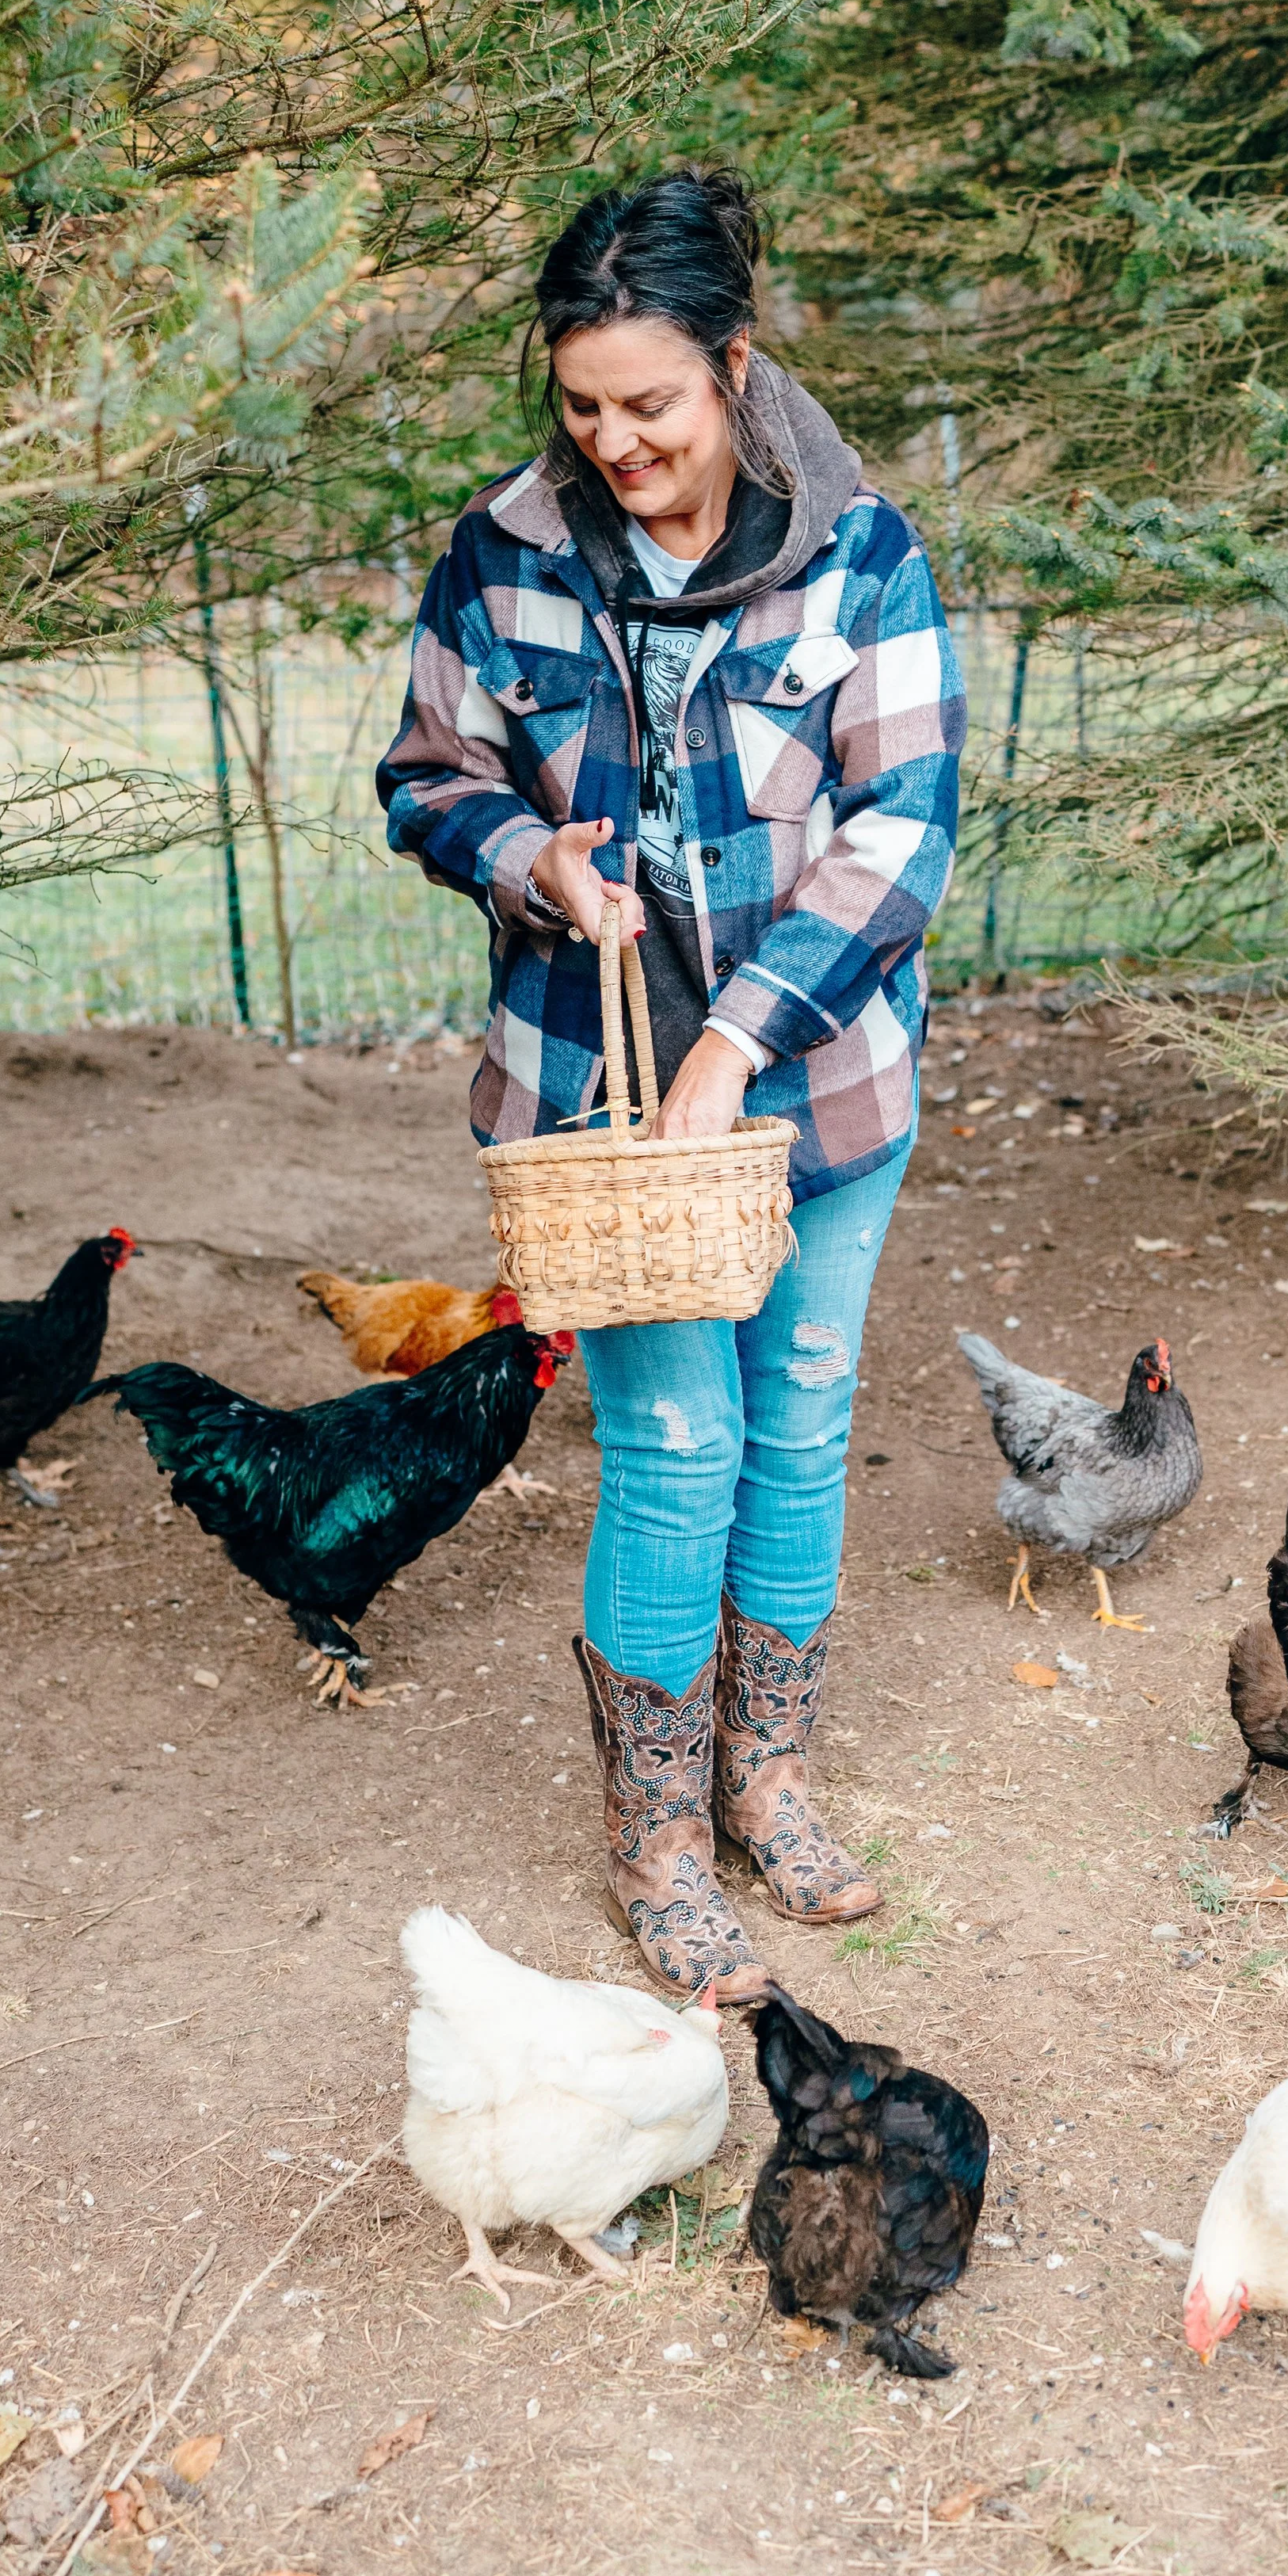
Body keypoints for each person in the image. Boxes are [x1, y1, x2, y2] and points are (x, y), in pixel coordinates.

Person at [379, 168, 964, 2001]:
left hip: (817, 1089)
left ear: (731, 367)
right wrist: (528, 860)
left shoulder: (860, 551)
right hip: (592, 1105)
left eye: (651, 403)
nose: (616, 443)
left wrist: (732, 1042)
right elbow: (424, 775)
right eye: (581, 408)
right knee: (678, 1442)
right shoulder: (501, 554)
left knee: (798, 1411)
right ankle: (651, 1823)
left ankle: (765, 1770)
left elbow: (904, 832)